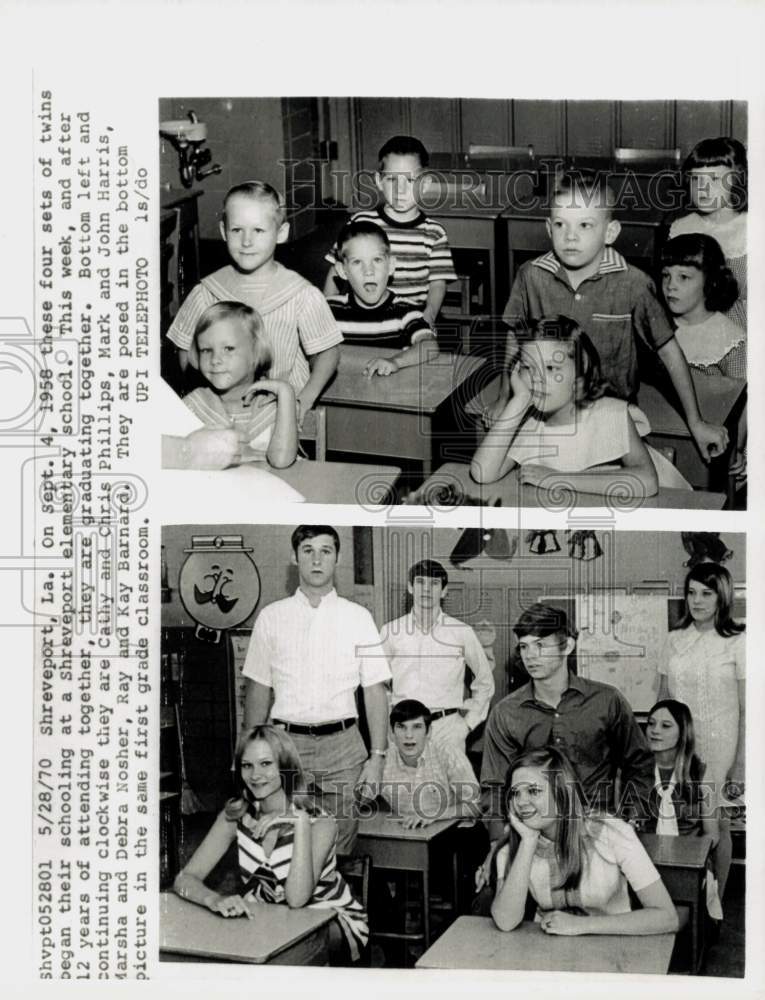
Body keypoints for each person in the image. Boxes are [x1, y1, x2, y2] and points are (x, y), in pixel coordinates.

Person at [485, 170, 727, 464]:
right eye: (561, 224)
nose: (570, 236)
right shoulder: (531, 275)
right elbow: (515, 336)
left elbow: (670, 352)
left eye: (585, 225)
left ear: (610, 232)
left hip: (610, 414)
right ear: (549, 228)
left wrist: (696, 421)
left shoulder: (633, 284)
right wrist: (503, 398)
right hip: (544, 412)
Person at [477, 604, 654, 893]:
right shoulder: (506, 713)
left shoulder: (607, 701)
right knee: (491, 915)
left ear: (568, 645)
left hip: (598, 838)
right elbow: (495, 787)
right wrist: (497, 850)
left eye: (540, 645)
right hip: (531, 840)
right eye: (524, 647)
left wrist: (631, 822)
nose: (530, 656)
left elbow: (640, 764)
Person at [241, 525, 391, 854]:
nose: (317, 559)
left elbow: (375, 690)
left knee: (339, 846)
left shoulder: (358, 617)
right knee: (283, 843)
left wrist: (378, 757)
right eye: (308, 550)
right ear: (294, 558)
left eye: (326, 550)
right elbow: (258, 689)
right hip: (286, 746)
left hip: (344, 748)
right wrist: (251, 753)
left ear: (337, 558)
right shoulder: (272, 617)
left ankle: (335, 906)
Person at [173, 725, 368, 964]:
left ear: (286, 767)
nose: (255, 775)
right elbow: (184, 879)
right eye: (247, 765)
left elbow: (297, 900)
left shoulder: (321, 823)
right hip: (268, 920)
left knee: (277, 968)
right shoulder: (234, 816)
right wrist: (214, 899)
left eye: (266, 764)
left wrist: (300, 823)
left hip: (328, 919)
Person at [166, 181, 342, 428]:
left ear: (281, 233)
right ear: (224, 231)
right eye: (237, 230)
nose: (246, 241)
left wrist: (305, 397)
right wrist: (209, 384)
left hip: (279, 416)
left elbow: (328, 352)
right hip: (218, 415)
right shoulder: (207, 292)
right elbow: (184, 348)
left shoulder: (301, 294)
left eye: (258, 230)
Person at [470, 315, 690, 493]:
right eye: (528, 368)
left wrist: (560, 480)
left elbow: (648, 482)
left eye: (550, 368)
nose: (537, 378)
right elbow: (482, 473)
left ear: (580, 373)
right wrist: (518, 400)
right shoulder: (531, 423)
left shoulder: (610, 414)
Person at [490, 746, 678, 936]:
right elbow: (506, 921)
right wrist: (529, 841)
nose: (521, 802)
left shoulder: (612, 832)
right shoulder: (514, 846)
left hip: (613, 948)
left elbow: (667, 917)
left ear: (562, 792)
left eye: (533, 790)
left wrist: (580, 925)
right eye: (515, 793)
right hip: (549, 953)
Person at [657, 562, 745, 902]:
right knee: (679, 820)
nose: (697, 601)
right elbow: (663, 700)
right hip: (681, 746)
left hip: (723, 747)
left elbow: (747, 710)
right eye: (691, 593)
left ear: (721, 597)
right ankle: (686, 899)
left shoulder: (739, 641)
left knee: (718, 826)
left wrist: (740, 764)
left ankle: (715, 908)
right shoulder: (673, 639)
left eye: (706, 593)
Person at [324, 135, 456, 325]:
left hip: (410, 319)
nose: (400, 190)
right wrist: (325, 312)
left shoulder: (434, 233)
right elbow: (336, 271)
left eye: (410, 181)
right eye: (392, 180)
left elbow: (437, 283)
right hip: (362, 317)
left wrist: (430, 313)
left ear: (425, 184)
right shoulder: (359, 222)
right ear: (379, 181)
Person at [659, 233, 747, 491]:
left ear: (710, 281)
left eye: (683, 277)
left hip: (707, 453)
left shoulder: (730, 338)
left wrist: (738, 450)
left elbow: (742, 407)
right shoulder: (656, 329)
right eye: (666, 275)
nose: (671, 285)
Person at [380, 559, 495, 753]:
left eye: (434, 583)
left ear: (443, 591)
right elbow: (379, 687)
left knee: (446, 784)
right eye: (420, 582)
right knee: (405, 783)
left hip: (447, 729)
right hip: (404, 728)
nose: (426, 589)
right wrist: (388, 726)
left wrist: (467, 725)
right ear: (410, 587)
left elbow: (485, 682)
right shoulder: (391, 631)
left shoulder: (461, 632)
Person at [177, 301, 298, 467]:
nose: (215, 360)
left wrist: (285, 391)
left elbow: (281, 461)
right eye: (206, 350)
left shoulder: (273, 404)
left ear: (256, 352)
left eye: (228, 348)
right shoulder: (193, 405)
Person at [327, 220, 438, 377]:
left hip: (392, 395)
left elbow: (429, 346)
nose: (369, 271)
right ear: (342, 271)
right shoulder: (329, 310)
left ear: (391, 265)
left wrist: (395, 362)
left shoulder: (406, 311)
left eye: (377, 260)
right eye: (357, 262)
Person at [645, 699, 722, 918]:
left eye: (666, 726)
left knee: (676, 915)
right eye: (651, 724)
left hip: (687, 864)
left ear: (683, 732)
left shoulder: (700, 772)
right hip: (644, 860)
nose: (655, 731)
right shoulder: (636, 769)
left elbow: (712, 834)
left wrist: (690, 856)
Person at [668, 137, 747, 330]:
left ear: (737, 179)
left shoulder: (750, 229)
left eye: (714, 179)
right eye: (696, 179)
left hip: (739, 331)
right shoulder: (681, 228)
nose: (702, 188)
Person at [380, 699, 481, 827]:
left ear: (429, 732)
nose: (409, 735)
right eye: (401, 727)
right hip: (406, 835)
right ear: (392, 733)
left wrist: (433, 815)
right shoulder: (381, 762)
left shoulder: (448, 753)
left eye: (417, 727)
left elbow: (476, 806)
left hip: (450, 830)